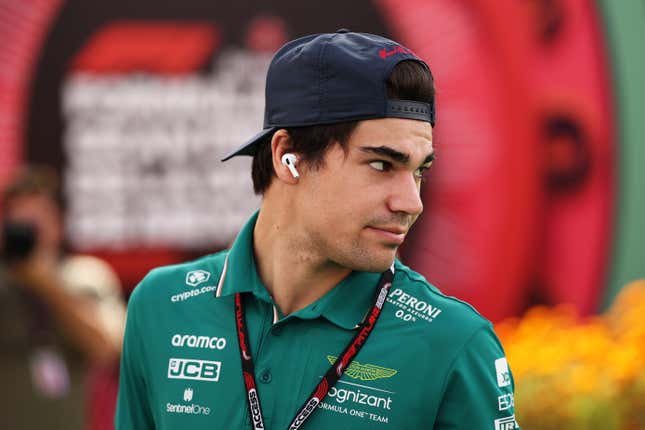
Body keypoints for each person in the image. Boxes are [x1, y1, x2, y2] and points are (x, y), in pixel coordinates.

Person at [116, 30, 520, 429]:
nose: (411, 202)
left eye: (419, 171)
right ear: (286, 157)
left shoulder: (454, 343)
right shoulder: (162, 305)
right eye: (382, 165)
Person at [0, 166, 126, 429]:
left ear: (59, 223)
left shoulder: (84, 277)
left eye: (37, 216)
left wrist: (45, 284)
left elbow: (106, 348)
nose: (27, 226)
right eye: (16, 216)